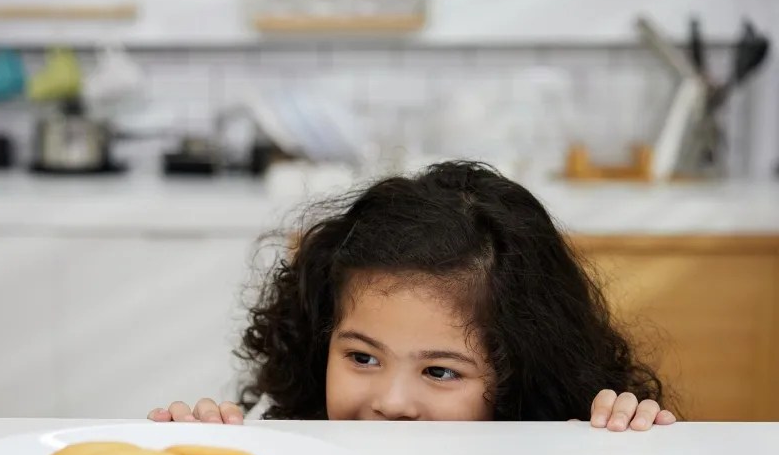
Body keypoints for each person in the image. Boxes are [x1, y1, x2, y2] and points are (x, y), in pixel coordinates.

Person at [148, 161, 677, 431]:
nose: (391, 403)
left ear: (521, 375)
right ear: (320, 342)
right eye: (361, 357)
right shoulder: (298, 443)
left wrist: (623, 450)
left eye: (440, 371)